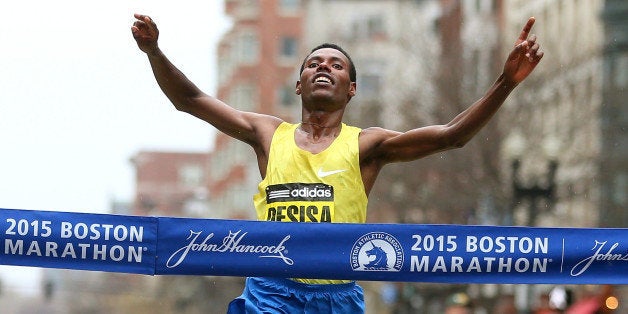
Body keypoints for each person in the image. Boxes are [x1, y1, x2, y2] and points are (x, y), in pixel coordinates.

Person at [131, 13, 543, 314]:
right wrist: (154, 51)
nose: (323, 67)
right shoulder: (268, 135)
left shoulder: (367, 146)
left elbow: (453, 135)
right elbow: (190, 100)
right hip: (271, 290)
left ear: (352, 89)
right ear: (298, 84)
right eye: (313, 64)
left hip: (337, 295)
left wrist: (505, 83)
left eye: (336, 65)